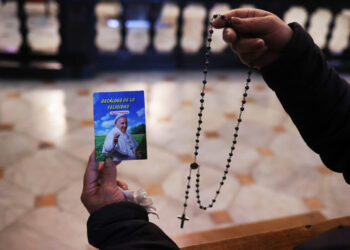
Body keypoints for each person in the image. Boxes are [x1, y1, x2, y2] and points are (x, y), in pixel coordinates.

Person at [82, 8, 350, 249]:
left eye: (125, 121)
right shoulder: (114, 137)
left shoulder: (127, 136)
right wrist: (291, 57)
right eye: (121, 122)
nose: (124, 123)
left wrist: (116, 221)